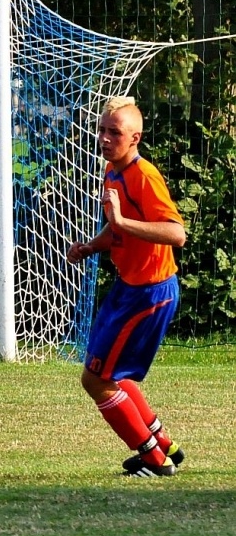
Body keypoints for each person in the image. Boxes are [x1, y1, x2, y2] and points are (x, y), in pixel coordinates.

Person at [65, 97, 187, 478]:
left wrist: (120, 219)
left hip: (149, 293)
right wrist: (92, 245)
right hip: (128, 287)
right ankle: (164, 444)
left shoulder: (144, 176)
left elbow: (176, 233)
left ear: (135, 138)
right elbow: (120, 227)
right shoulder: (112, 170)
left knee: (96, 380)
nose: (104, 137)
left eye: (113, 132)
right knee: (106, 376)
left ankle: (154, 459)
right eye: (102, 130)